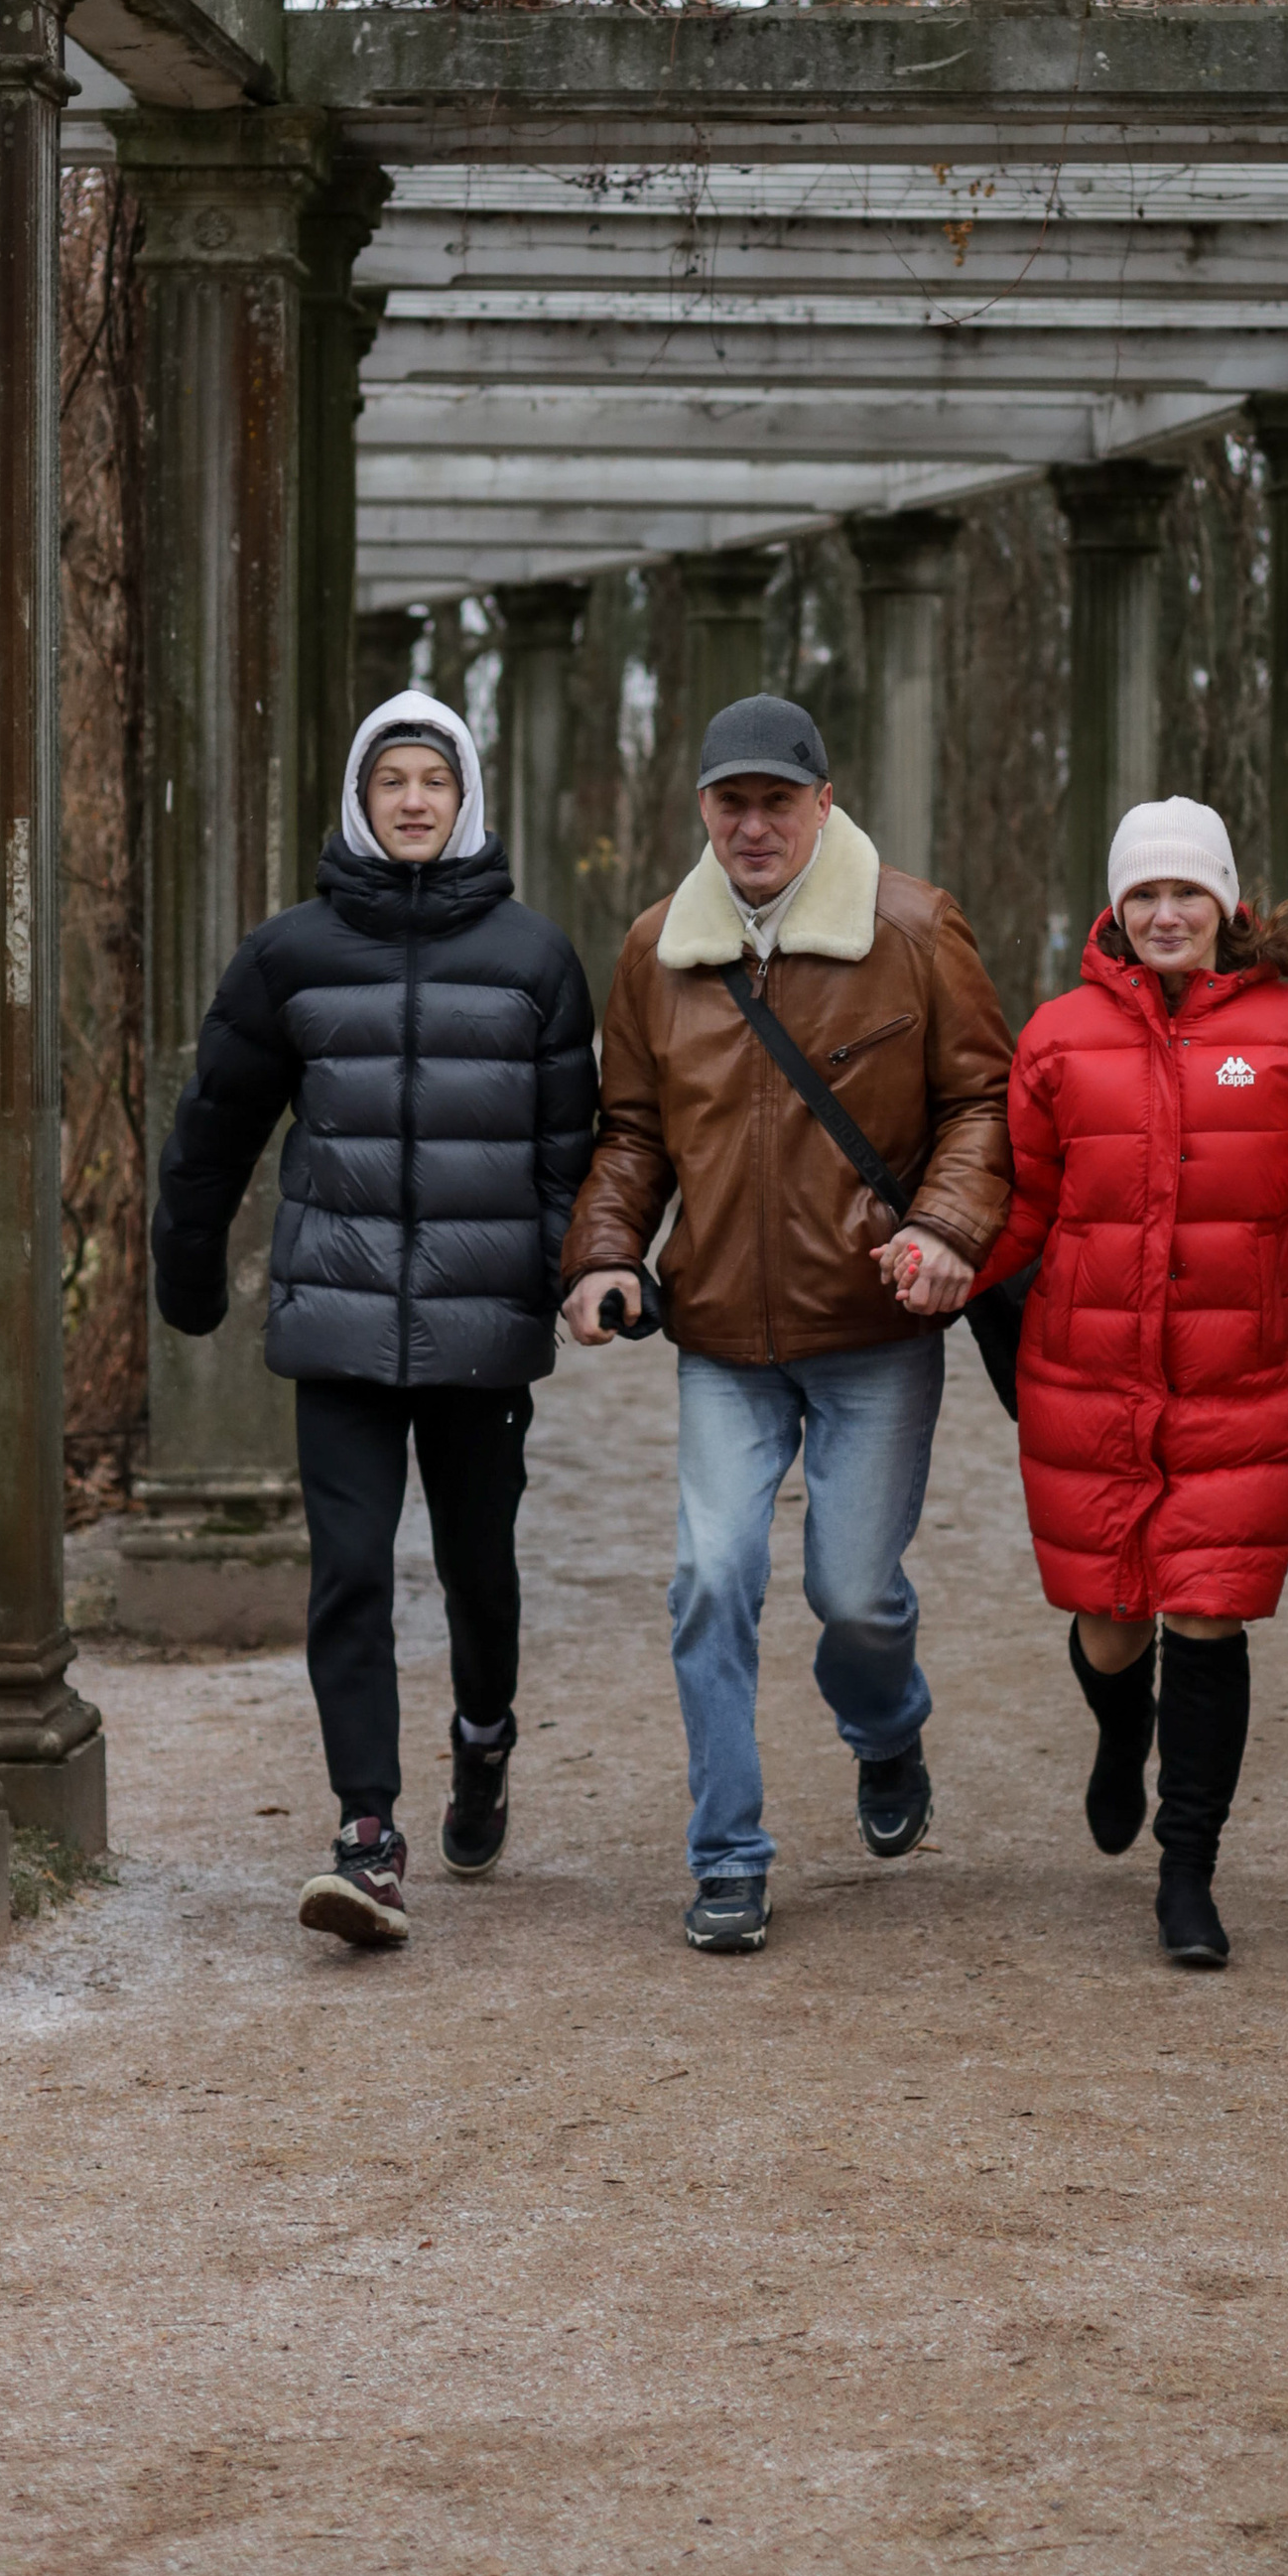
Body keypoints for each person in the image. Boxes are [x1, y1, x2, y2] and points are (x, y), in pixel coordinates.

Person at [561, 694, 1012, 1955]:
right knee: (711, 1581)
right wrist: (602, 1255)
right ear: (700, 809)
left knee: (853, 1595)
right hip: (720, 1340)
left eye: (776, 800)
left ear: (825, 803)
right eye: (729, 802)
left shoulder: (915, 928)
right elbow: (635, 1131)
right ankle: (728, 1857)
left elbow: (983, 1101)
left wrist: (947, 1232)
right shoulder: (658, 947)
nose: (752, 825)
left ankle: (885, 1730)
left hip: (873, 1325)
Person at [150, 690, 596, 1953]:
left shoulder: (533, 959)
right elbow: (213, 1130)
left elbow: (573, 1153)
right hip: (338, 1323)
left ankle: (484, 1738)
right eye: (391, 778)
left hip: (479, 1328)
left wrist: (581, 1269)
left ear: (465, 802)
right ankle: (366, 1834)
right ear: (359, 797)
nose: (412, 799)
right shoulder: (290, 954)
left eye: (434, 781)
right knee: (349, 1574)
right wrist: (186, 1269)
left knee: (477, 1572)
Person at [971, 797, 1288, 1970]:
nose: (1166, 913)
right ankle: (1122, 1735)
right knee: (1114, 1626)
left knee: (1207, 1614)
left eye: (1187, 893)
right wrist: (940, 1260)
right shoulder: (1058, 1035)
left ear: (1226, 904)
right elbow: (1021, 1201)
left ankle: (1188, 1871)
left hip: (1245, 1373)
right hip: (1091, 1371)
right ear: (1116, 909)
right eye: (1145, 895)